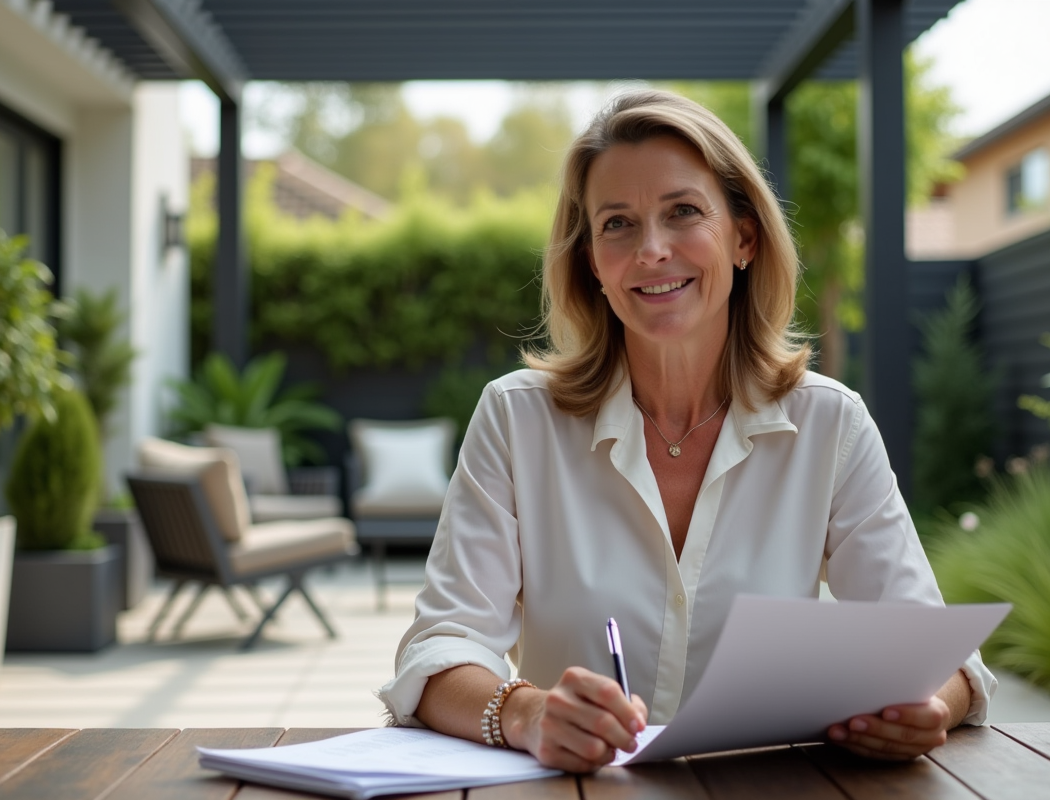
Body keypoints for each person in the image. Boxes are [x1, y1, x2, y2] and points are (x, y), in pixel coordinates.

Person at [377, 89, 996, 772]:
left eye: (683, 212)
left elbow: (940, 655)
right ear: (592, 261)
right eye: (617, 224)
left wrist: (924, 706)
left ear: (743, 237)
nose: (650, 250)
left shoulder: (830, 423)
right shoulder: (517, 419)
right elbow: (439, 650)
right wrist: (526, 713)